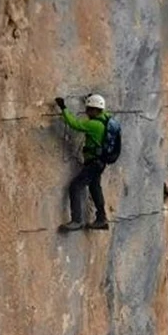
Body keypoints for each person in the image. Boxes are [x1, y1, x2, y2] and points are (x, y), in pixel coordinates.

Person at [55, 93, 110, 232]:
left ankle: (77, 220)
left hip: (93, 163)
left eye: (89, 109)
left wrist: (63, 108)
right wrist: (91, 98)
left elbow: (74, 124)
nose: (86, 112)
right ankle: (102, 218)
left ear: (94, 110)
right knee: (95, 188)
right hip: (100, 162)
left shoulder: (93, 125)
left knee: (75, 186)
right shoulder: (106, 119)